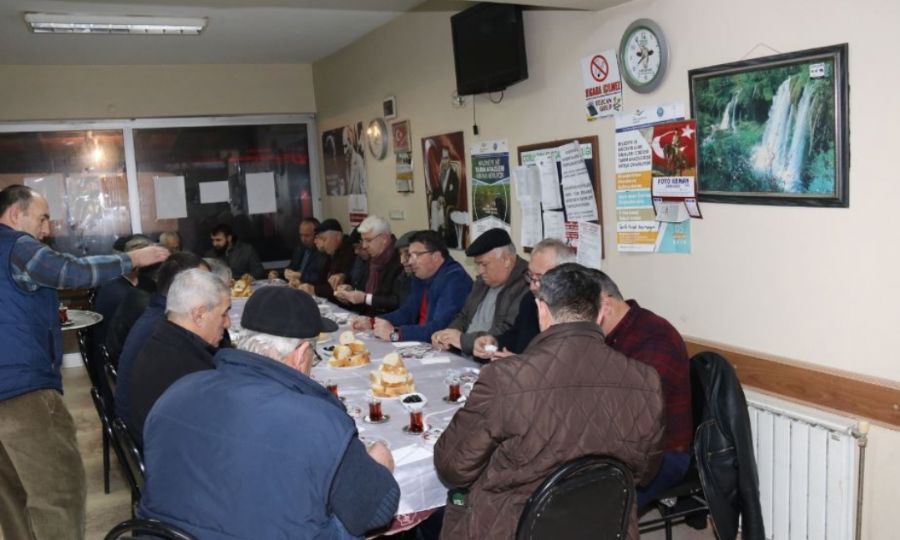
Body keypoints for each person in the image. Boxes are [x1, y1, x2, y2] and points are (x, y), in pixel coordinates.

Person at [139, 287, 399, 538]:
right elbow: (374, 513)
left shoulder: (177, 391)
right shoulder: (317, 421)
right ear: (301, 354)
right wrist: (380, 466)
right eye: (314, 356)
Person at [434, 263, 666, 539]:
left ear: (541, 310)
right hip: (603, 523)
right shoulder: (646, 380)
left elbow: (452, 467)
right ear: (602, 311)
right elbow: (645, 470)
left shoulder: (505, 378)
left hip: (514, 526)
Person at [0, 185, 168, 539]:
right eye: (42, 218)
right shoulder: (16, 244)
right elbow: (69, 271)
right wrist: (133, 258)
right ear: (16, 214)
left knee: (12, 498)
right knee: (59, 493)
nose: (47, 230)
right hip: (23, 392)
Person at [590, 269, 693, 508]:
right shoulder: (608, 336)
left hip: (662, 454)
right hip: (623, 444)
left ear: (606, 304)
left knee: (582, 503)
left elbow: (634, 418)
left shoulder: (654, 338)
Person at [126, 269, 230, 448]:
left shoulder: (163, 339)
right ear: (199, 315)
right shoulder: (190, 372)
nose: (228, 323)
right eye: (224, 314)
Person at [114, 252, 210, 426]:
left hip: (135, 418)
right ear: (181, 289)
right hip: (144, 429)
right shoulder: (167, 328)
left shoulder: (156, 312)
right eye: (206, 285)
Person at [472, 238, 575, 360]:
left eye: (540, 278)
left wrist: (520, 362)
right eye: (530, 276)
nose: (532, 286)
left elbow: (563, 364)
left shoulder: (575, 311)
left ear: (563, 277)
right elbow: (515, 336)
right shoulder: (530, 300)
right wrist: (493, 343)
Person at [431, 228, 529, 357]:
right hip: (463, 355)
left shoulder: (526, 287)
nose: (480, 271)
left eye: (484, 264)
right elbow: (464, 316)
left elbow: (504, 333)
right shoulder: (482, 282)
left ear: (506, 260)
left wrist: (462, 340)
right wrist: (447, 335)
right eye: (477, 265)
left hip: (490, 362)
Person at [372, 230, 472, 343]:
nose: (409, 261)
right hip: (420, 344)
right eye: (410, 255)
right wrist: (374, 322)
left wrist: (396, 334)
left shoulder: (455, 280)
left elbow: (439, 328)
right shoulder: (420, 275)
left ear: (436, 256)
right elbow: (407, 312)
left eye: (416, 255)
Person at [334, 216, 405, 316]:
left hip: (388, 321)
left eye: (368, 240)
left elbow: (397, 301)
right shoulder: (373, 259)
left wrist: (365, 298)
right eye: (363, 240)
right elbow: (363, 290)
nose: (364, 246)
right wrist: (350, 291)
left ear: (384, 239)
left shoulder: (400, 261)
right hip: (366, 318)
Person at [297, 218, 355, 300]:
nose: (322, 243)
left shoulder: (350, 251)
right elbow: (322, 281)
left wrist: (314, 289)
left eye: (324, 239)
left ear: (338, 237)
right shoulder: (331, 252)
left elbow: (338, 286)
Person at [272, 217, 326, 284]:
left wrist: (300, 276)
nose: (303, 239)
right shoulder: (300, 249)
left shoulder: (322, 251)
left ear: (317, 235)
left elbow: (319, 277)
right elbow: (291, 268)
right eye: (301, 235)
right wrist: (278, 274)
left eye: (307, 236)